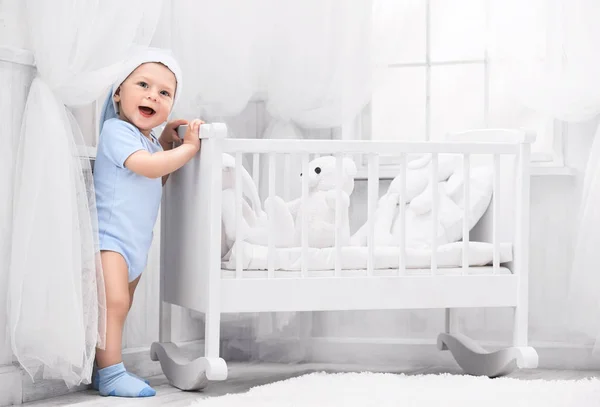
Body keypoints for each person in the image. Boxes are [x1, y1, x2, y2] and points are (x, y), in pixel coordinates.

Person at [92, 47, 202, 397]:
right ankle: (110, 374)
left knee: (120, 307)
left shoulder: (149, 142)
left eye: (165, 92)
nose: (152, 95)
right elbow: (147, 167)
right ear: (118, 93)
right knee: (114, 304)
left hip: (136, 243)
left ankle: (104, 368)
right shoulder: (116, 131)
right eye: (142, 84)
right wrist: (186, 149)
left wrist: (167, 142)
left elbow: (158, 178)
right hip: (110, 239)